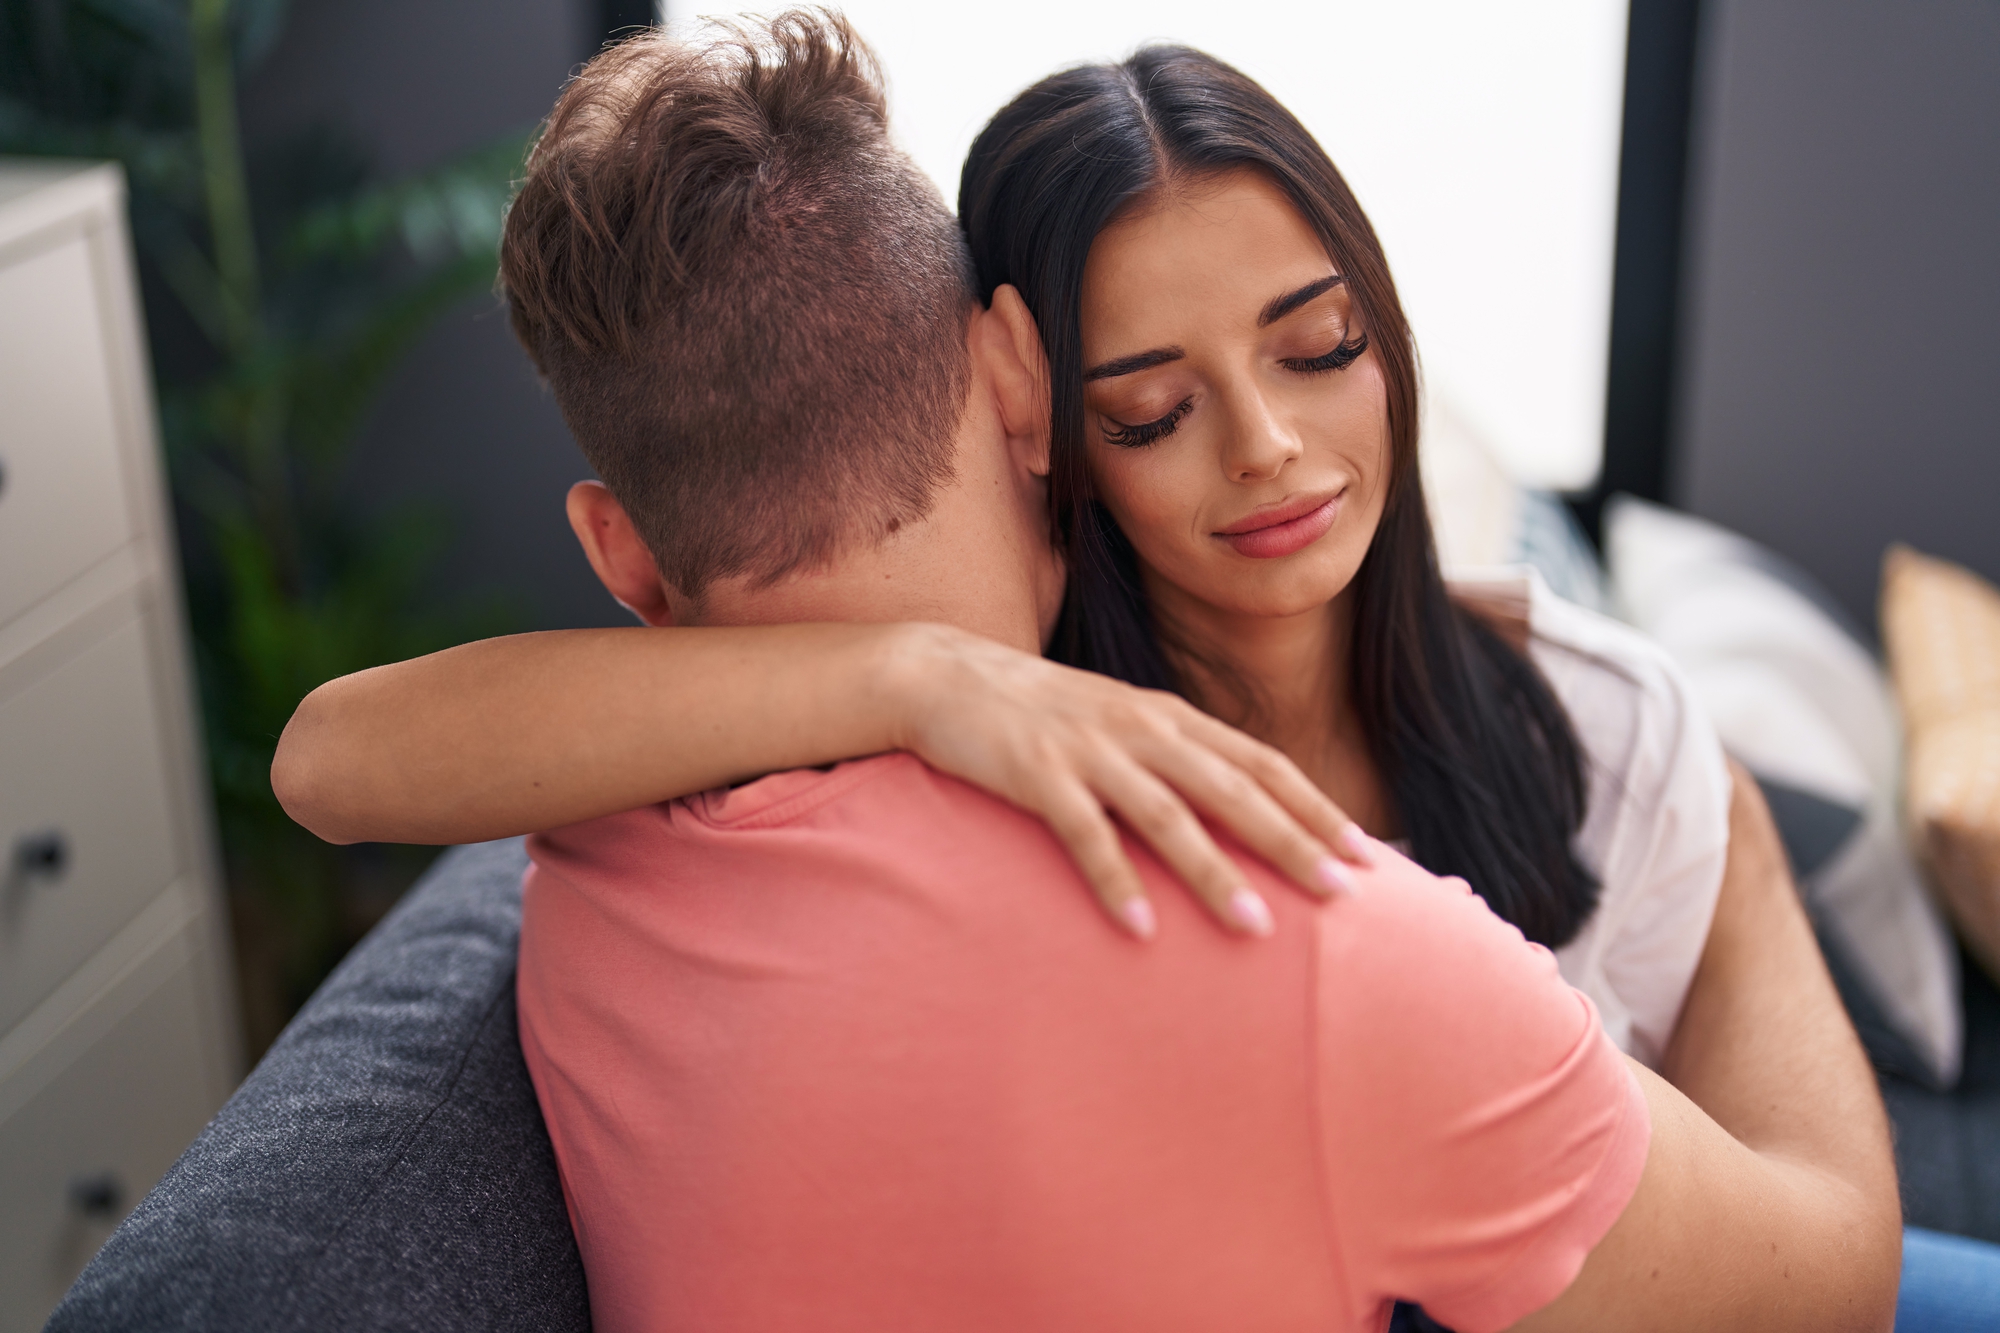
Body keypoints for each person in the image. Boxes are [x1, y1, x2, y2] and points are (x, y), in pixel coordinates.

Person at [274, 10, 1904, 1330]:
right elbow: (1827, 1277)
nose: (1263, 452)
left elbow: (331, 763)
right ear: (1023, 386)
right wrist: (1748, 846)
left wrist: (900, 676)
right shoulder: (1319, 935)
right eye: (1149, 408)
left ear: (620, 558)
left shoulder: (599, 815)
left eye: (1317, 343)